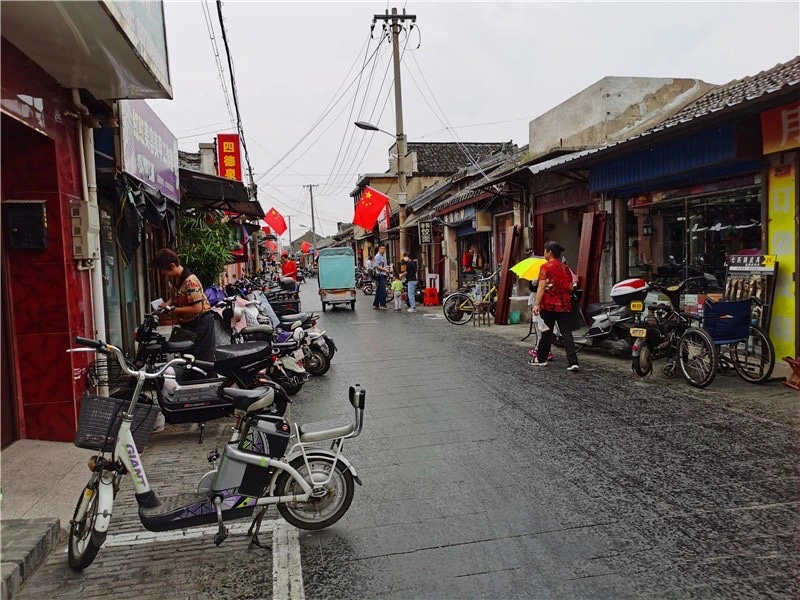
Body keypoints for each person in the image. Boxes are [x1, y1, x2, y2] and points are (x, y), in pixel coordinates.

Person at [154, 248, 215, 363]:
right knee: (188, 358)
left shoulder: (190, 281)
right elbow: (176, 296)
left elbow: (197, 308)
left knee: (200, 360)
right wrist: (167, 304)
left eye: (163, 270)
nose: (163, 274)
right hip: (188, 324)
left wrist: (173, 310)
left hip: (200, 323)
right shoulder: (176, 278)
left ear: (172, 265)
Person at [530, 241, 579, 372]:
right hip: (564, 304)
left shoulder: (545, 267)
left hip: (549, 305)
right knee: (567, 333)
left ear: (549, 252)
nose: (544, 253)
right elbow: (570, 287)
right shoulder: (565, 268)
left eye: (545, 251)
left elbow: (540, 287)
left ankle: (541, 359)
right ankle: (573, 362)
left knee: (546, 332)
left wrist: (536, 304)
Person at [372, 244, 389, 310]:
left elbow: (385, 265)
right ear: (379, 249)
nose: (383, 250)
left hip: (384, 274)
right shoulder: (377, 256)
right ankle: (383, 304)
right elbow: (377, 266)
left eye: (384, 249)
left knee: (379, 290)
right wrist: (385, 269)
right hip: (380, 274)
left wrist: (388, 269)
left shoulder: (383, 256)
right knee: (383, 290)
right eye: (382, 249)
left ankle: (375, 304)